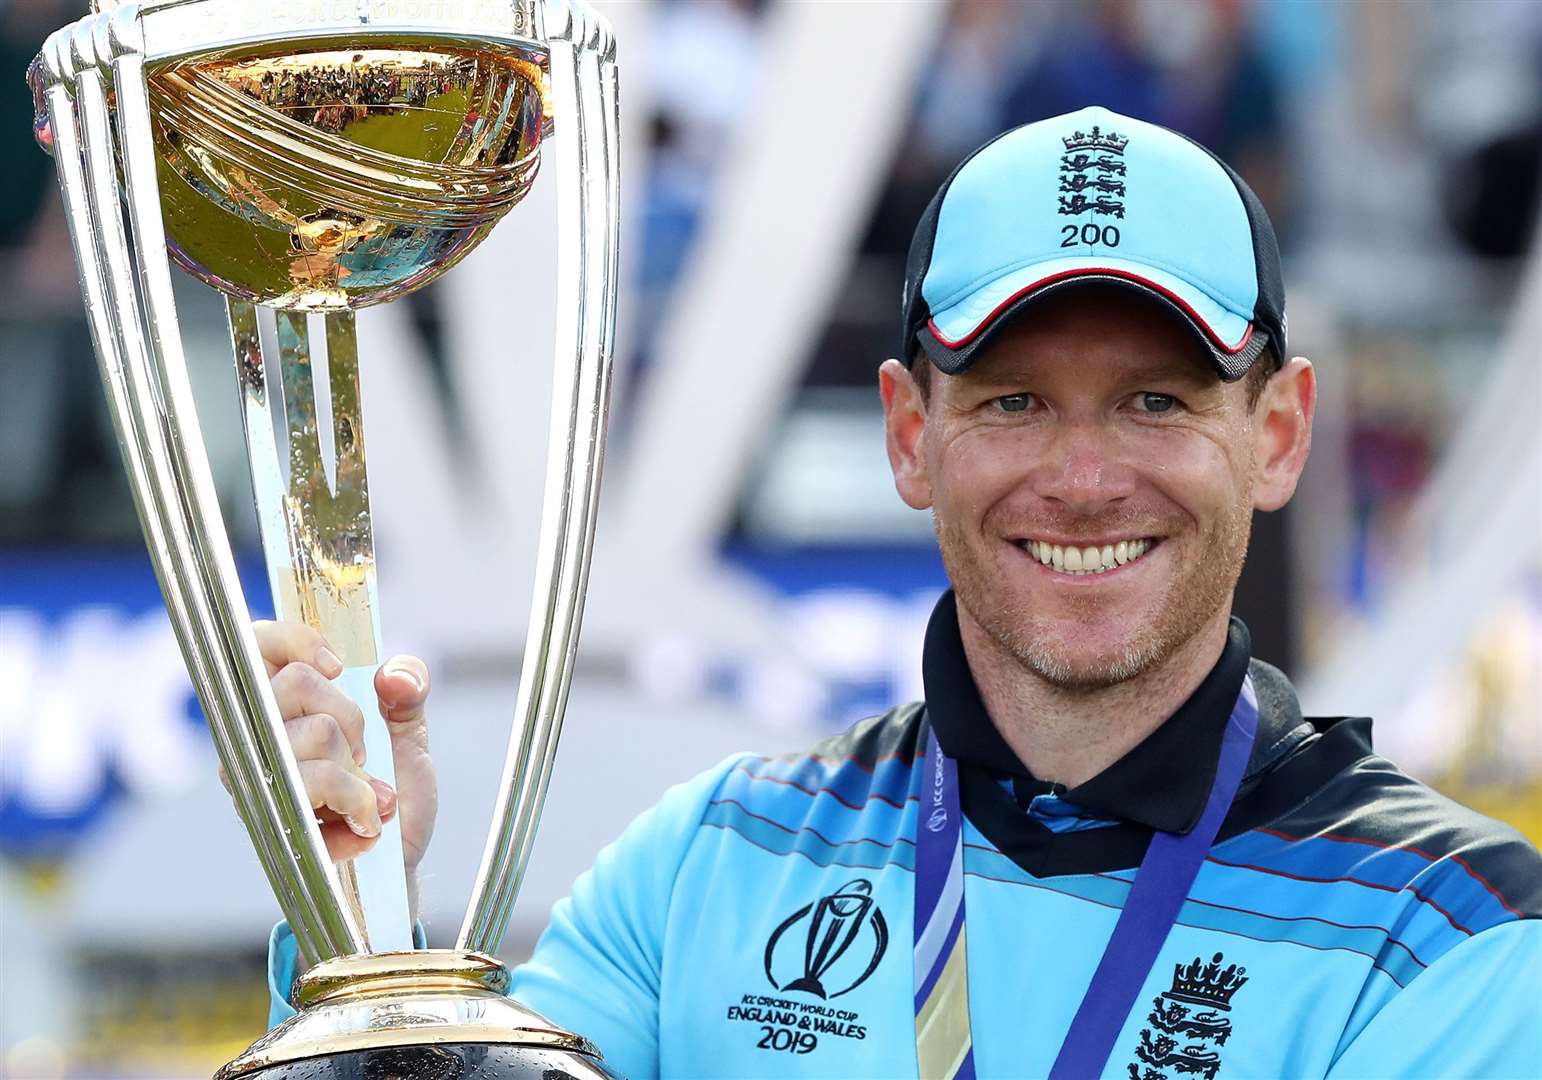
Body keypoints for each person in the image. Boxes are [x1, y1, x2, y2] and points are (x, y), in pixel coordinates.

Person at [252, 106, 1542, 1078]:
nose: (1083, 479)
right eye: (1013, 401)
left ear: (1277, 431)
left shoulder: (1452, 934)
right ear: (909, 433)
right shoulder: (717, 861)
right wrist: (362, 931)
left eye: (1156, 400)